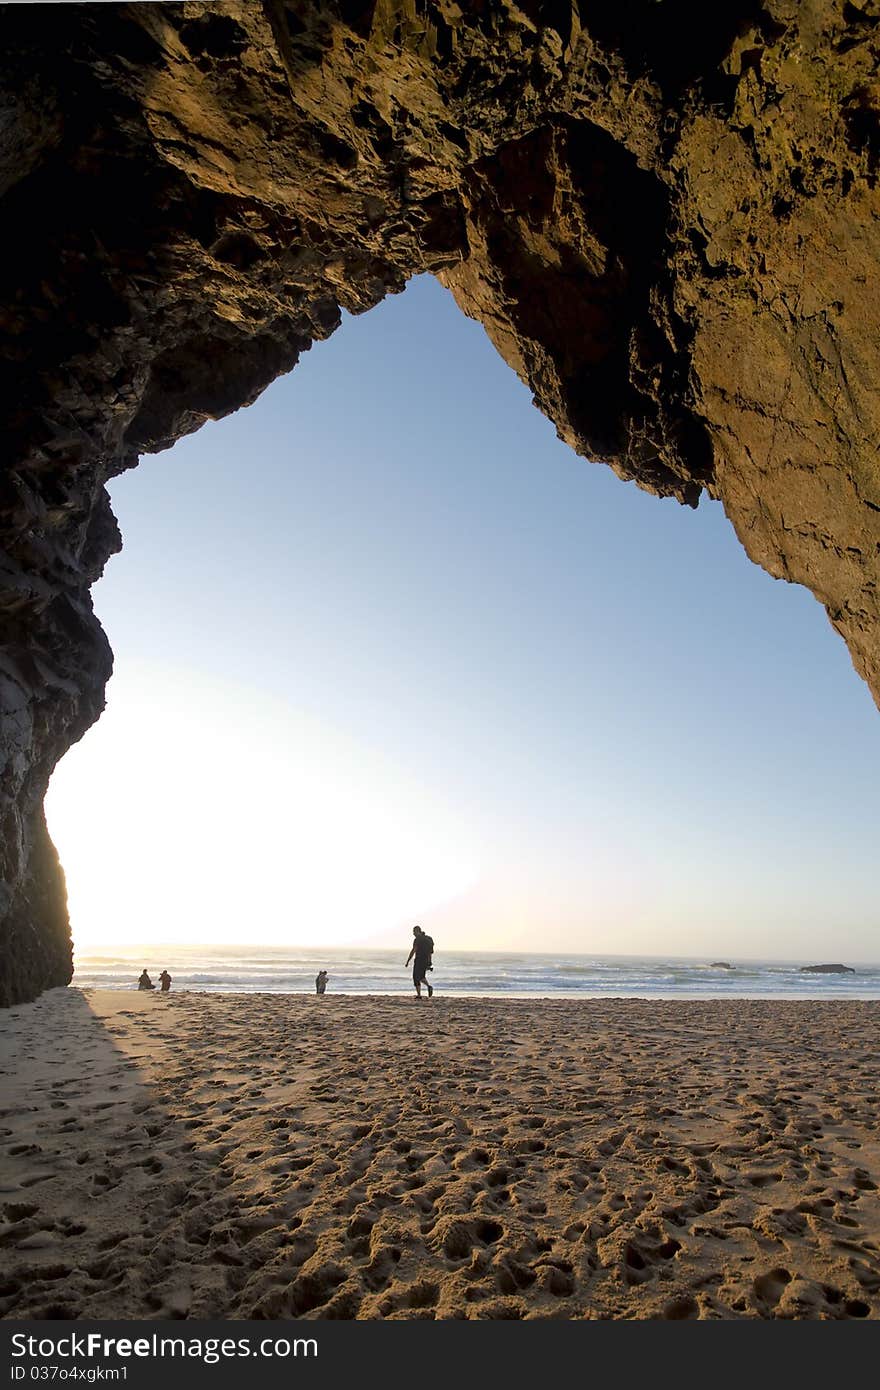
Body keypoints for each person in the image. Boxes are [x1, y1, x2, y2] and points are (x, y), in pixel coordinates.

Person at [405, 924, 434, 998]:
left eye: (414, 932)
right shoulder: (429, 939)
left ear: (417, 931)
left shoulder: (417, 939)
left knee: (416, 977)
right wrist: (429, 962)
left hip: (419, 960)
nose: (413, 934)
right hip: (426, 960)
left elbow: (414, 950)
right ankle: (429, 986)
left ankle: (419, 995)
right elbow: (430, 952)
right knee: (421, 976)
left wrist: (408, 960)